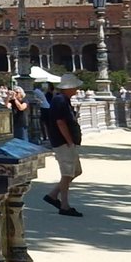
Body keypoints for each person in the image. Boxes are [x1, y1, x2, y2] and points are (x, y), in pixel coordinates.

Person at [40, 73, 84, 216]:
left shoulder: (63, 100)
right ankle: (64, 205)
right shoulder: (60, 100)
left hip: (66, 142)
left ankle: (53, 195)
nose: (77, 89)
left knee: (76, 171)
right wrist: (69, 141)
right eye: (75, 87)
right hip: (63, 143)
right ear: (69, 88)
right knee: (67, 173)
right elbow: (60, 122)